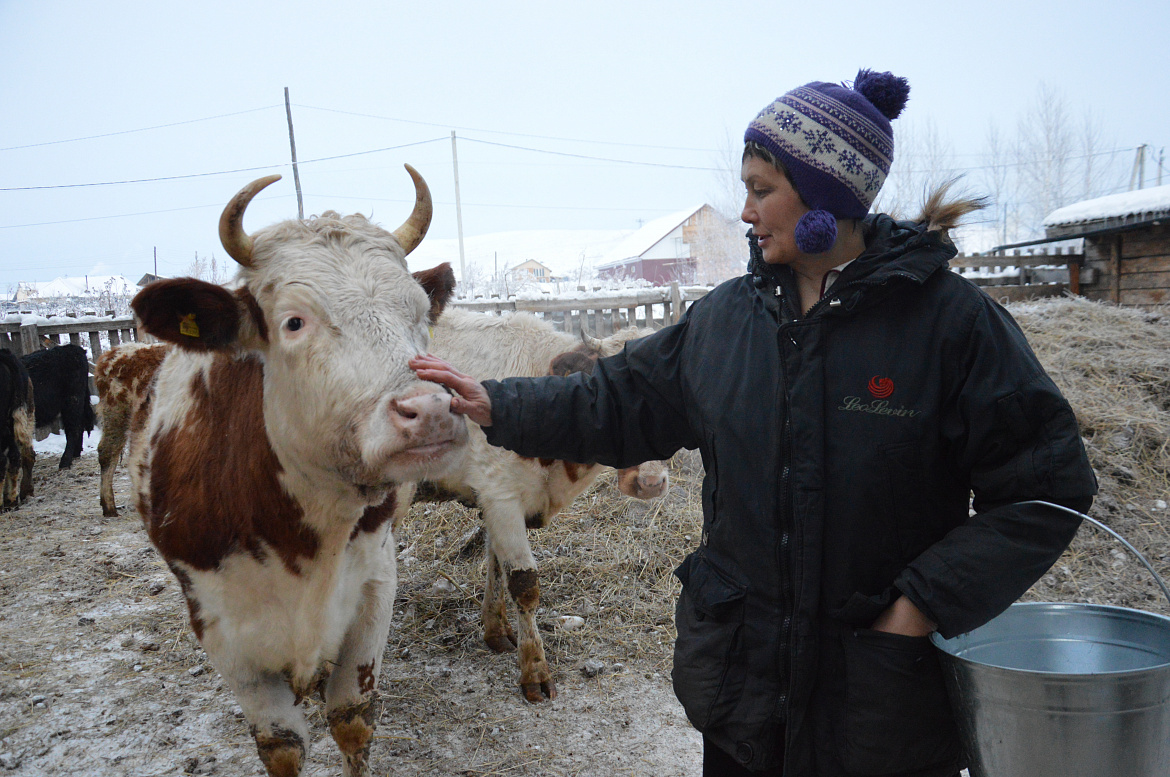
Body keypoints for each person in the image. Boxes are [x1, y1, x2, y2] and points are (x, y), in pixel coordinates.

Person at [410, 69, 1097, 777]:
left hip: (879, 705)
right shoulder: (727, 321)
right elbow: (615, 400)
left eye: (762, 189)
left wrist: (920, 604)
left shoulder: (951, 326)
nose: (744, 211)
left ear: (827, 194)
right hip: (744, 694)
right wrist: (496, 404)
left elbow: (1045, 490)